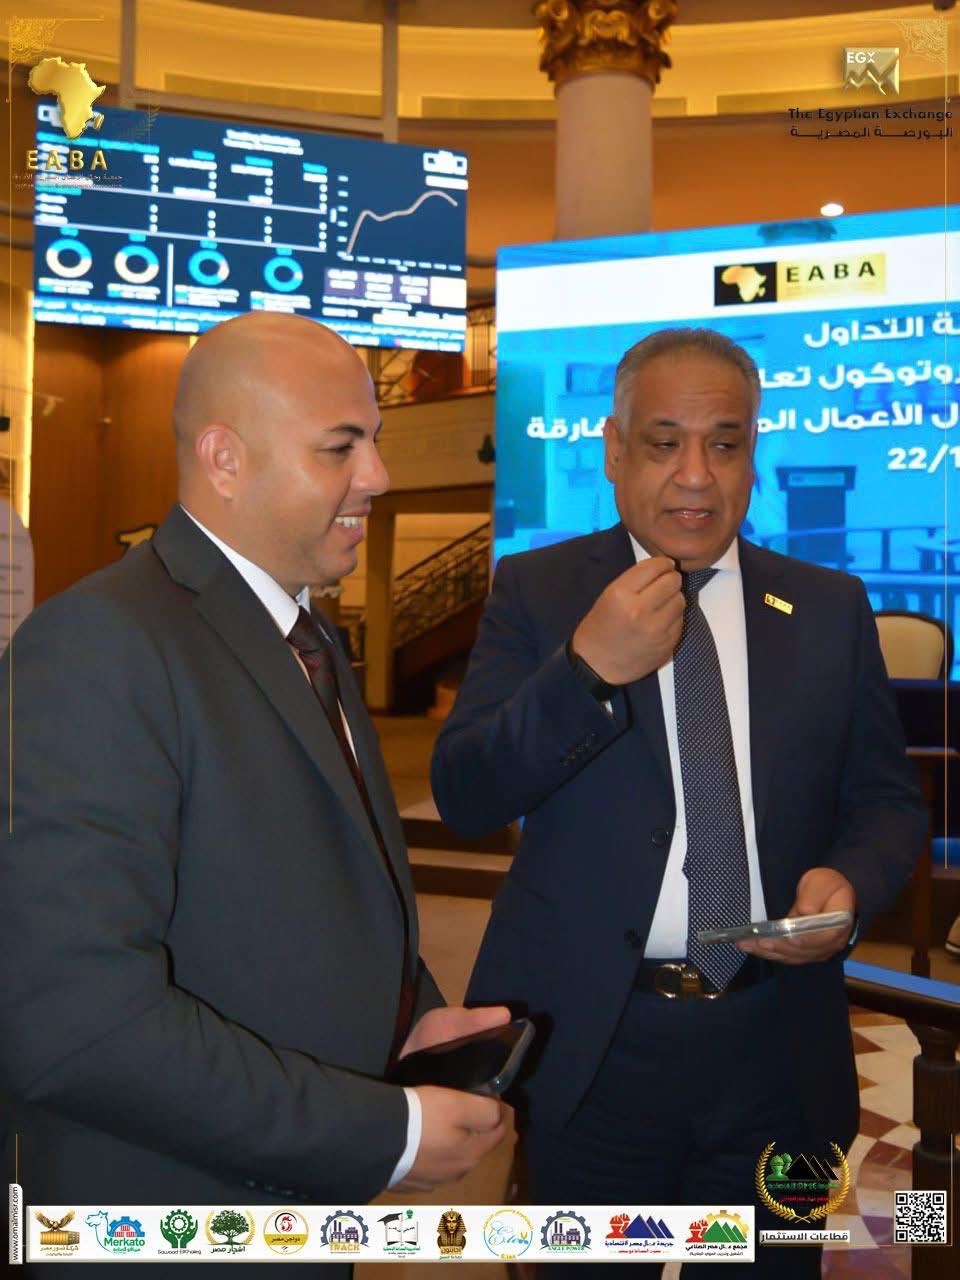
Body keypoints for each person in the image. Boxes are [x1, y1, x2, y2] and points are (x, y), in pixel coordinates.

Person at [1, 313, 508, 1276]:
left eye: (375, 441)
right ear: (224, 460)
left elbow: (310, 881)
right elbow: (74, 1021)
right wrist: (385, 1132)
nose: (378, 476)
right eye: (340, 448)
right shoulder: (98, 646)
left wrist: (410, 1018)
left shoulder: (303, 634)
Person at [431, 328, 926, 1277]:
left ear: (752, 453)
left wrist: (851, 882)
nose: (696, 475)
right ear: (615, 450)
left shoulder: (827, 605)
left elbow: (885, 801)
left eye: (724, 444)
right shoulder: (539, 591)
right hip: (597, 1047)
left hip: (778, 1050)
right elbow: (465, 792)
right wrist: (585, 670)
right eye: (664, 443)